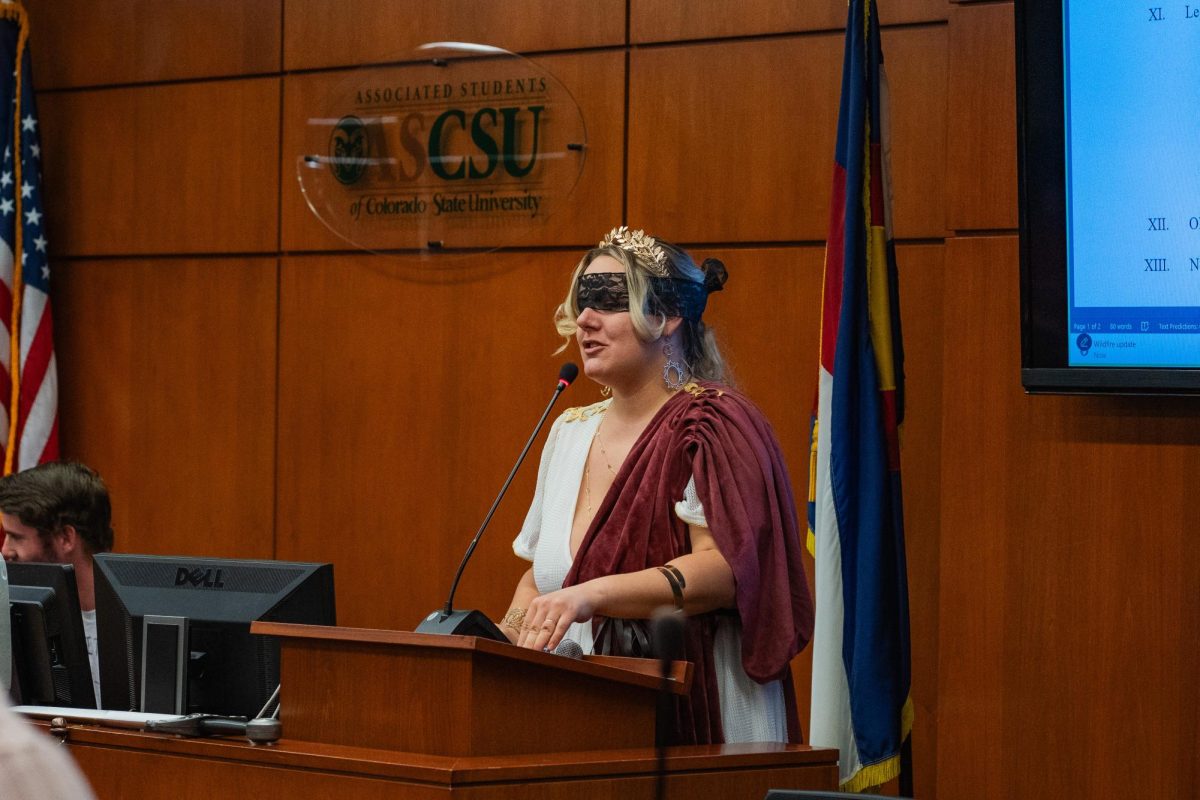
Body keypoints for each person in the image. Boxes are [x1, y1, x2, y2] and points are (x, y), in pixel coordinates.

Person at [503, 226, 813, 745]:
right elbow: (543, 579)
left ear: (668, 317)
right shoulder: (569, 431)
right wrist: (503, 639)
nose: (584, 318)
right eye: (583, 300)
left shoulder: (713, 424)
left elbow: (727, 569)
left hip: (698, 702)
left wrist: (592, 595)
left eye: (609, 300)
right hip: (583, 706)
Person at [0, 461, 114, 707]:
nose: (5, 550)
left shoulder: (132, 627)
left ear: (65, 538)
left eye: (17, 537)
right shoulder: (10, 615)